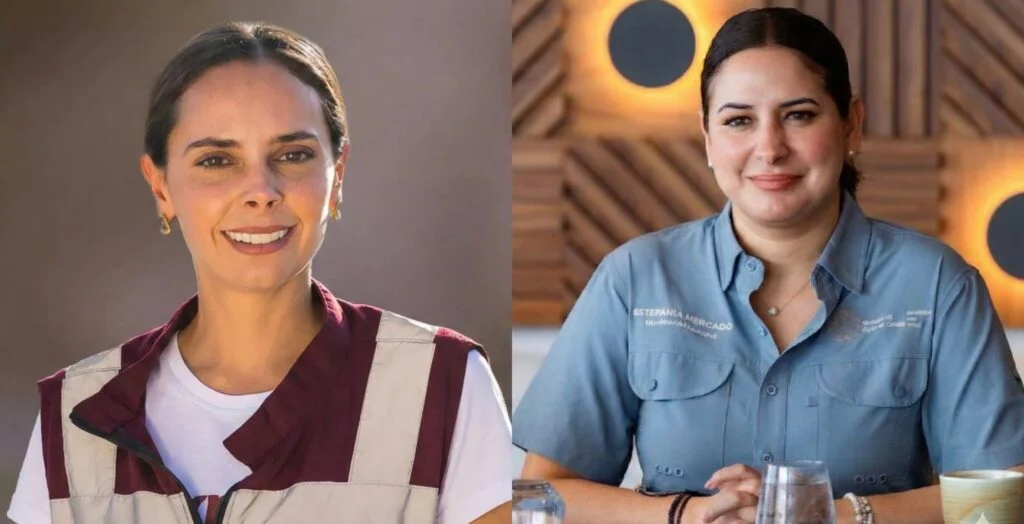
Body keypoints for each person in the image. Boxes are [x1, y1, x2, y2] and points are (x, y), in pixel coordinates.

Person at [512, 6, 1024, 524]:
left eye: (799, 115)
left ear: (851, 124)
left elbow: (1004, 497)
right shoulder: (635, 280)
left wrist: (818, 515)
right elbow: (541, 495)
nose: (770, 148)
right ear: (708, 137)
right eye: (739, 121)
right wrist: (687, 514)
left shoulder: (936, 285)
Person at [7, 21, 511, 524]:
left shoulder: (443, 385)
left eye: (292, 155)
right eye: (217, 160)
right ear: (160, 187)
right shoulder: (73, 415)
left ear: (337, 175)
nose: (261, 191)